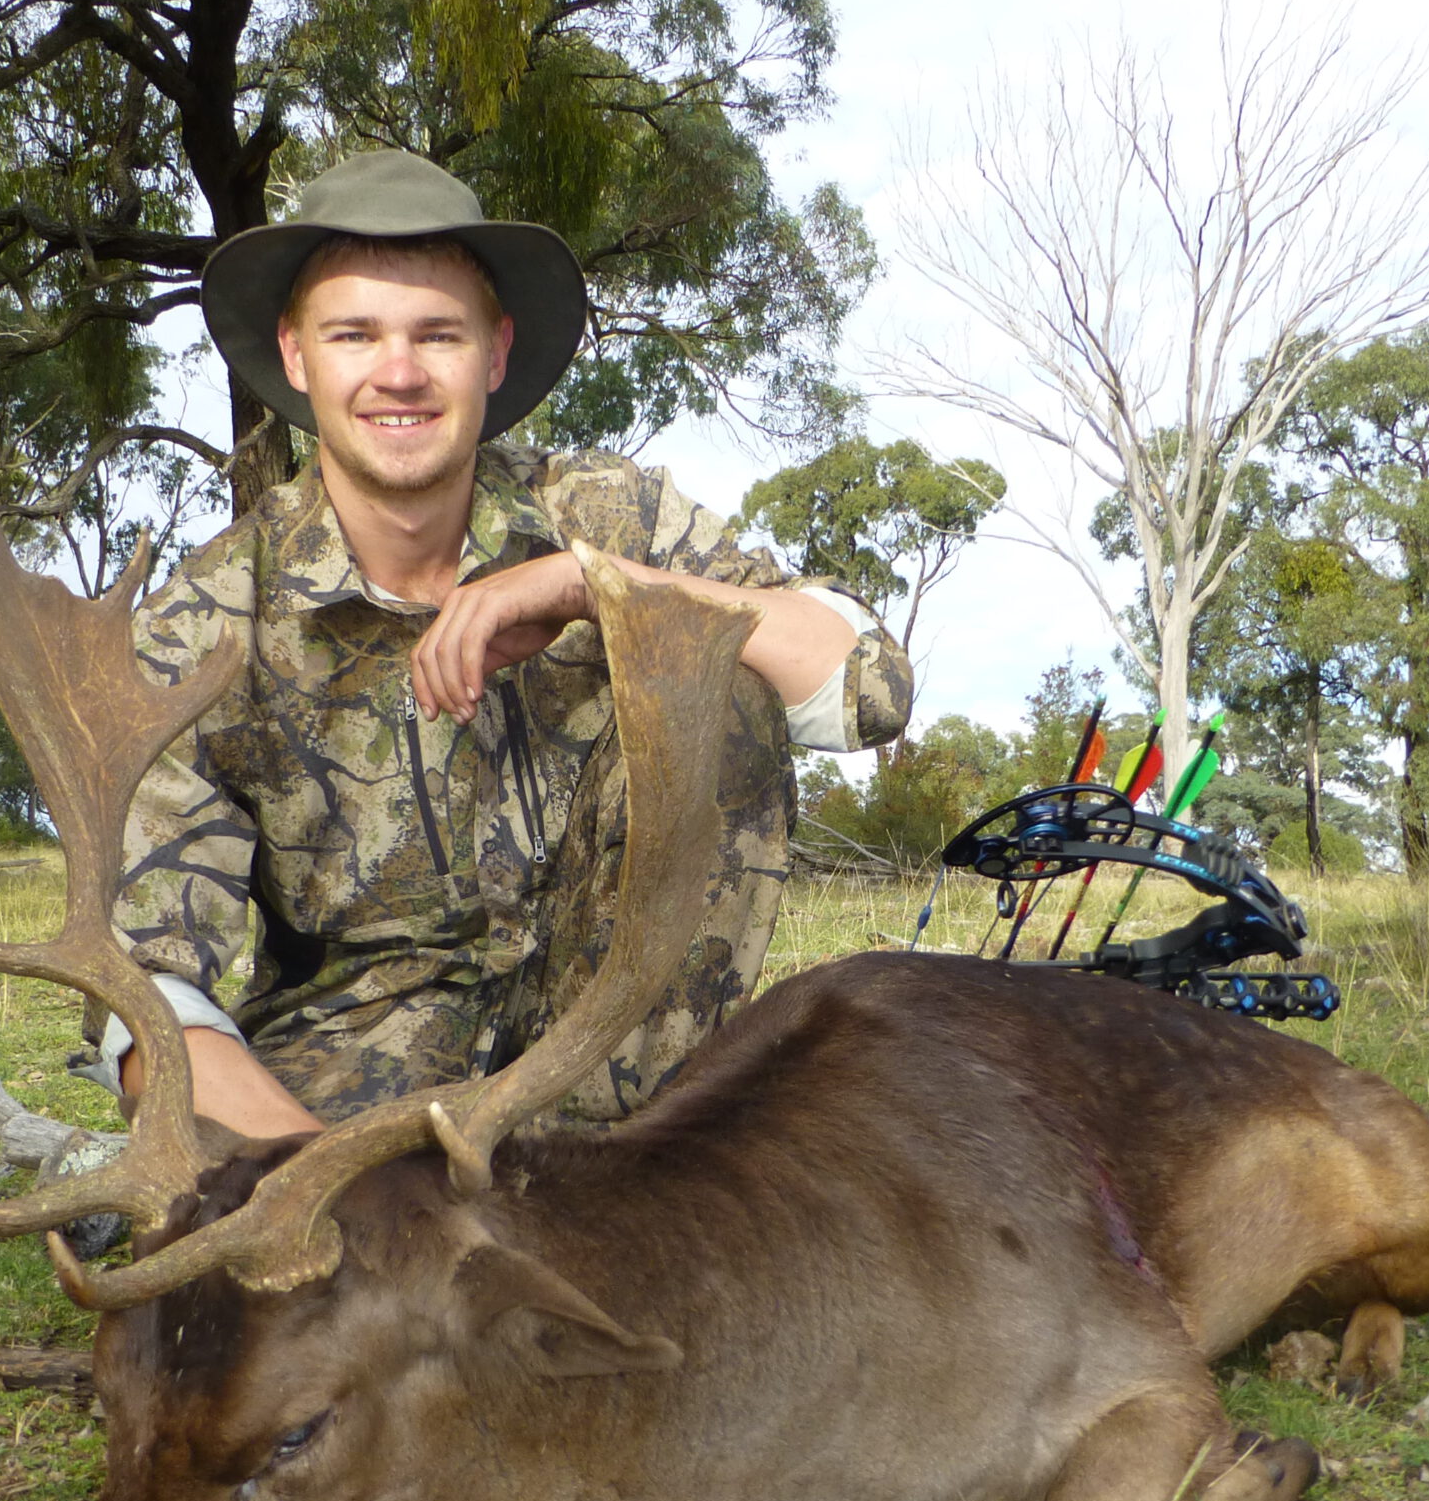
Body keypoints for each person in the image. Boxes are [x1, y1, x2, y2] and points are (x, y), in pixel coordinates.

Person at [97, 149, 913, 1136]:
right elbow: (144, 990)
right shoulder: (203, 620)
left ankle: (625, 1179)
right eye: (355, 334)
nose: (398, 373)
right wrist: (316, 1189)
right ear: (299, 355)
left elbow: (870, 687)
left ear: (493, 353)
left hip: (635, 1085)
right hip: (352, 1095)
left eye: (437, 335)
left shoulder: (611, 516)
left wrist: (595, 587)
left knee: (719, 679)